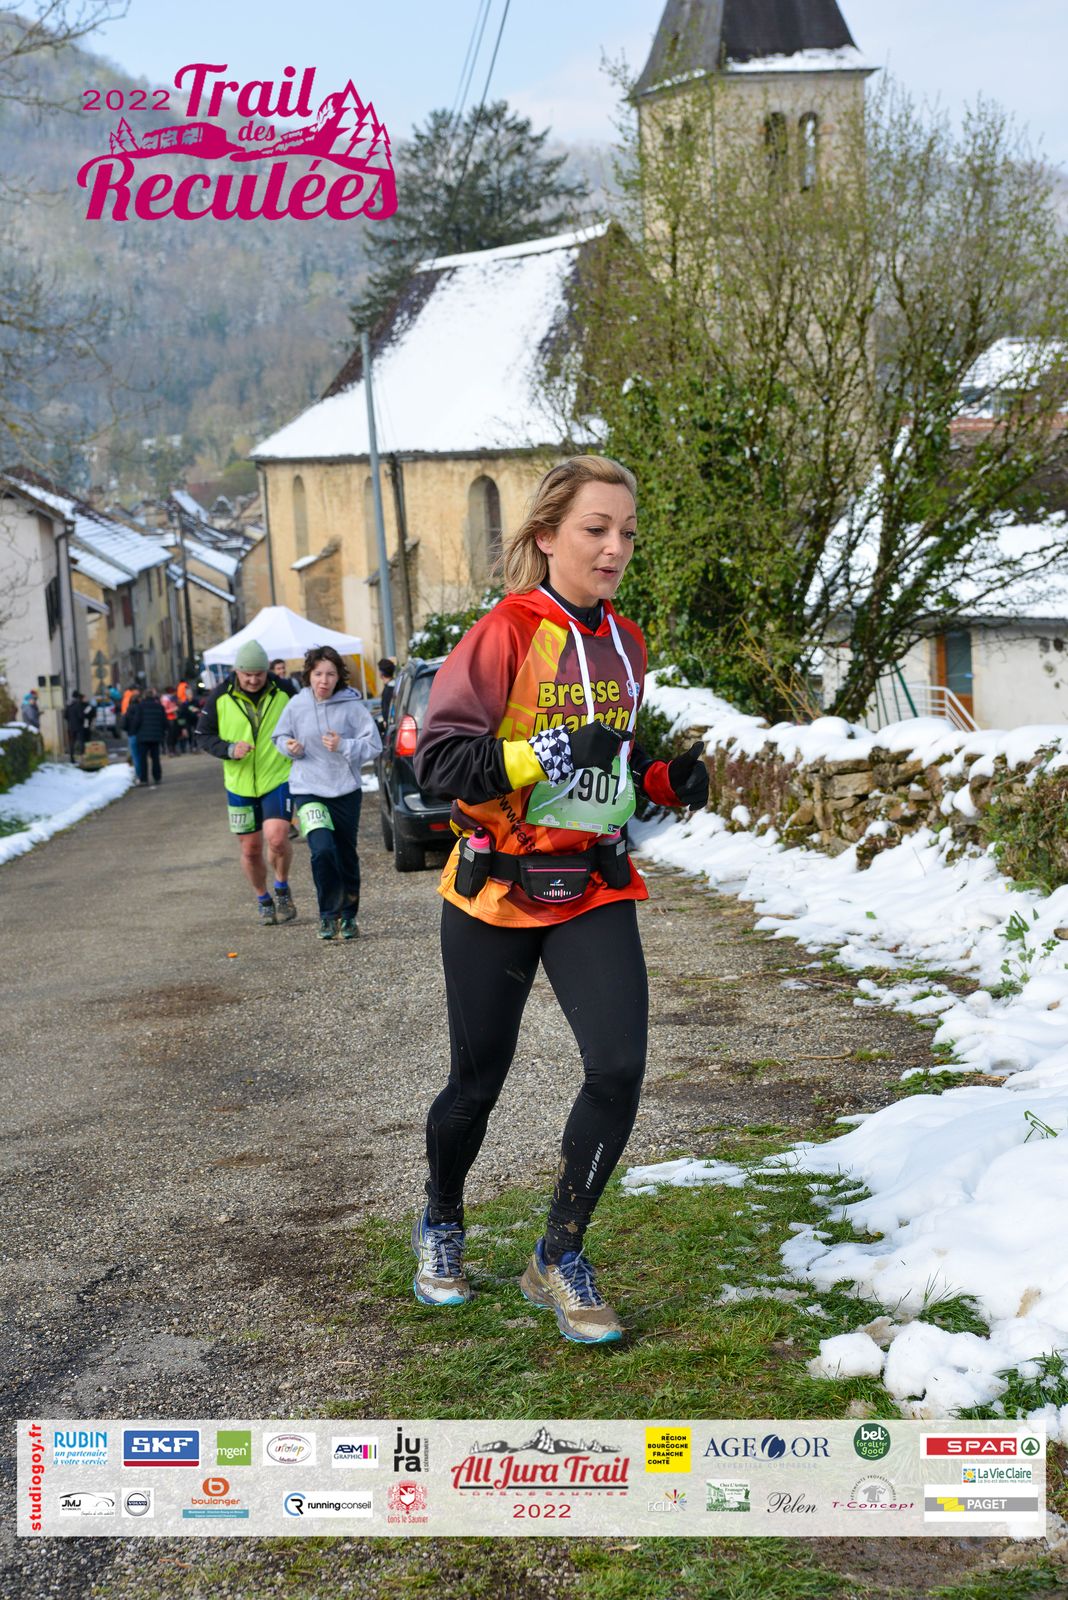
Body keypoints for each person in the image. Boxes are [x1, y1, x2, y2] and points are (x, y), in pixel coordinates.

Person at [409, 455, 708, 1343]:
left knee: (618, 1068)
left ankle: (558, 1253)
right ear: (546, 536)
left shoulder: (627, 642)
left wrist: (663, 780)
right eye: (595, 529)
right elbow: (438, 764)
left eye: (627, 533)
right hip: (496, 887)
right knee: (477, 1082)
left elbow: (608, 762)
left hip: (591, 884)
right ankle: (442, 1219)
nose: (615, 548)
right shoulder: (504, 632)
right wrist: (541, 752)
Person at [271, 645, 382, 940]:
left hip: (345, 790)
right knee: (321, 851)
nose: (324, 680)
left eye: (330, 674)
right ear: (308, 674)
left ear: (339, 677)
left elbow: (374, 745)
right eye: (318, 673)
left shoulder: (352, 707)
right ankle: (327, 915)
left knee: (345, 854)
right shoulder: (297, 704)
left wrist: (344, 745)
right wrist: (289, 747)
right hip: (308, 789)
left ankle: (348, 916)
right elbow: (279, 736)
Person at [197, 640, 299, 926]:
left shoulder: (284, 690)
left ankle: (281, 887)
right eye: (247, 675)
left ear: (267, 671)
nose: (253, 680)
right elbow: (203, 736)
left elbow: (304, 719)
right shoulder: (220, 696)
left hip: (277, 776)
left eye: (259, 674)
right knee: (250, 850)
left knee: (277, 838)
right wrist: (229, 749)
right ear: (236, 672)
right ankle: (263, 897)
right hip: (239, 783)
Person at [124, 687, 166, 785]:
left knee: (143, 758)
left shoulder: (140, 706)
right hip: (156, 736)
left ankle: (144, 779)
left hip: (143, 737)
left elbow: (137, 721)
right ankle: (157, 777)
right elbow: (163, 721)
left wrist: (133, 731)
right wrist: (163, 732)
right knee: (155, 758)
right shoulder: (159, 706)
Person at [63, 691, 92, 763]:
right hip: (79, 727)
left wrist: (70, 721)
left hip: (71, 727)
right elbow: (81, 716)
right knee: (81, 742)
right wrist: (84, 719)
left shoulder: (69, 705)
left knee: (72, 743)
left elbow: (65, 716)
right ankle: (82, 757)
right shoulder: (78, 705)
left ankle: (72, 758)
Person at [377, 658, 397, 727]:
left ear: (382, 673)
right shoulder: (395, 685)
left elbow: (387, 709)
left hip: (390, 724)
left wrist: (385, 720)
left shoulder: (389, 689)